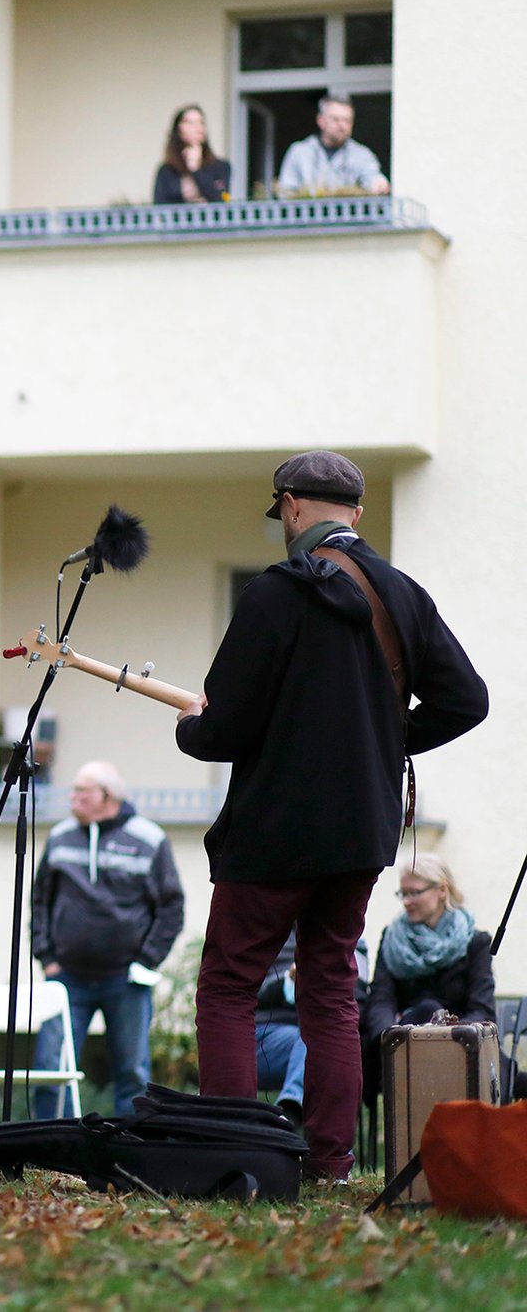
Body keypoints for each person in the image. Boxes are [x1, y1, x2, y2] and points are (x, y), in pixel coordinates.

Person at [177, 450, 486, 1182]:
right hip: (359, 834)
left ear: (289, 505)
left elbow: (224, 729)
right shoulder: (404, 594)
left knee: (228, 983)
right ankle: (331, 1162)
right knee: (329, 991)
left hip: (273, 831)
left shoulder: (274, 594)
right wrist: (386, 737)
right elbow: (466, 699)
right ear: (355, 512)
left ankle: (235, 1157)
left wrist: (192, 725)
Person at [28, 760, 185, 1117]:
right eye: (73, 790)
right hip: (66, 976)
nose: (72, 797)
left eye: (82, 791)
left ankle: (127, 1151)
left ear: (107, 796)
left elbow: (171, 906)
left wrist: (147, 960)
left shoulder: (149, 839)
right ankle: (47, 1150)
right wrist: (46, 957)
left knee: (132, 1070)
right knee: (51, 1067)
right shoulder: (60, 837)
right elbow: (40, 901)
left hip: (125, 979)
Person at [364, 855, 496, 1041]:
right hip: (404, 1041)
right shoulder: (392, 939)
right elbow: (381, 1000)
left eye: (415, 893)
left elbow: (482, 1010)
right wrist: (390, 1040)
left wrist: (445, 1037)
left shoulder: (475, 942)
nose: (406, 901)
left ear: (442, 890)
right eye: (403, 893)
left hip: (460, 1044)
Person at [257, 930, 370, 1123]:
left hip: (320, 1031)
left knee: (329, 1048)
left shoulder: (350, 936)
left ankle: (293, 1112)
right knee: (316, 1044)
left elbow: (357, 995)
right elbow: (242, 992)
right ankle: (292, 1108)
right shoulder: (264, 928)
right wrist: (288, 981)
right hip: (266, 1038)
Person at [277, 92, 389, 195]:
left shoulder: (362, 155)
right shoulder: (299, 152)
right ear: (321, 121)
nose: (342, 126)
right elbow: (286, 192)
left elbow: (371, 176)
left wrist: (378, 183)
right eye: (336, 119)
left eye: (347, 120)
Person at [152, 104, 232, 204]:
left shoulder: (221, 167)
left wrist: (195, 170)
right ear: (178, 129)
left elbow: (223, 199)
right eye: (190, 123)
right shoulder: (167, 170)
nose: (198, 128)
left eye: (201, 122)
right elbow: (159, 204)